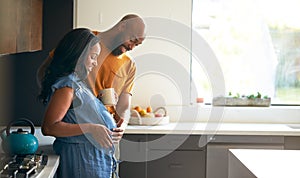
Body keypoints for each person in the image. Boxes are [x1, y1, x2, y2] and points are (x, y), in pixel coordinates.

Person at [37, 28, 123, 178]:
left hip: (92, 163)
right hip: (82, 163)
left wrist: (100, 105)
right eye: (93, 57)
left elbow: (77, 113)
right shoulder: (67, 86)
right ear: (79, 55)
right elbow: (50, 127)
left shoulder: (76, 81)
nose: (95, 63)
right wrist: (91, 129)